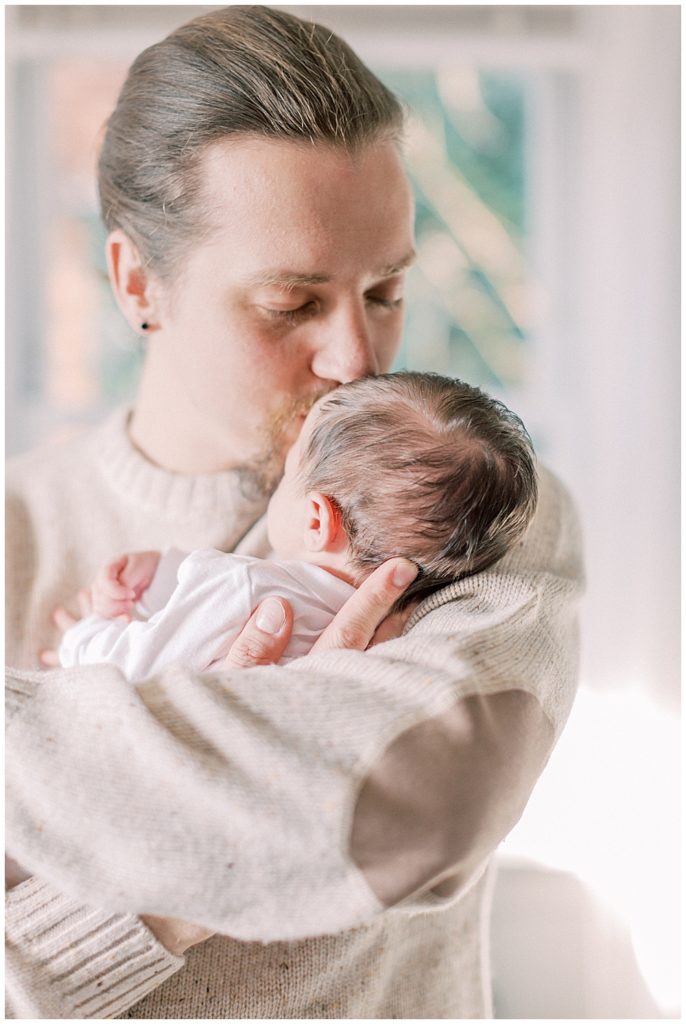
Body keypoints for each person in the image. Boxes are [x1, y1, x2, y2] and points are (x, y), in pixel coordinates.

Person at [5, 6, 583, 1020]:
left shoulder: (463, 504)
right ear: (138, 281)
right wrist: (210, 829)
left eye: (387, 288)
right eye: (290, 303)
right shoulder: (20, 533)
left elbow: (411, 808)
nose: (356, 360)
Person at [56, 372, 539, 678]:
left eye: (290, 471)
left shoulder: (243, 587)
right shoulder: (388, 630)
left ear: (316, 519)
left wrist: (84, 634)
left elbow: (133, 666)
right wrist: (162, 573)